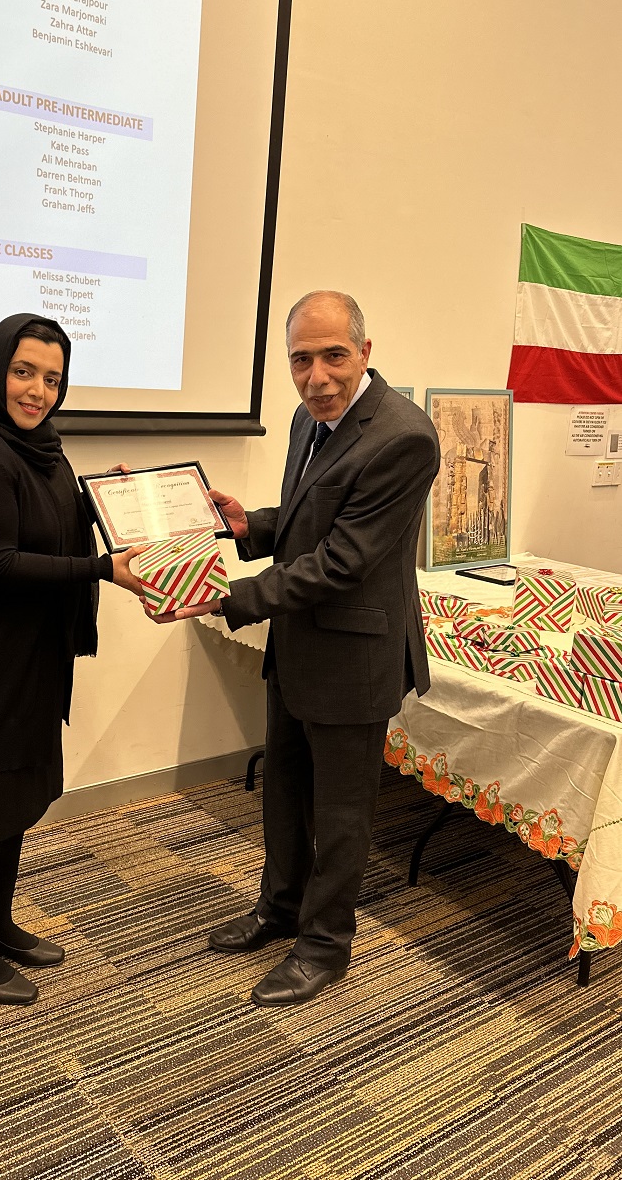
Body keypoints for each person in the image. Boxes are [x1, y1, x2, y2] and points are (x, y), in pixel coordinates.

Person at [155, 291, 440, 1007]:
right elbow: (310, 517)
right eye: (300, 360)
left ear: (365, 352)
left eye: (333, 356)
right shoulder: (306, 418)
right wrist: (247, 525)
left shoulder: (404, 437)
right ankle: (279, 909)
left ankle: (324, 944)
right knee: (284, 789)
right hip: (299, 644)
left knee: (340, 813)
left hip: (354, 657)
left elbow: (343, 560)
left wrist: (227, 596)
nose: (316, 376)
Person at [0, 313, 143, 1006]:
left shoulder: (41, 450)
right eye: (23, 372)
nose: (38, 391)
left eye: (51, 377)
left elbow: (52, 523)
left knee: (11, 805)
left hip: (28, 663)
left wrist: (107, 503)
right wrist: (102, 568)